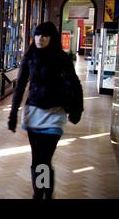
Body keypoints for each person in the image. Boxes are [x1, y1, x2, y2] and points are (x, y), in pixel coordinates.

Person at [8, 21, 83, 199]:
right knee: (37, 160)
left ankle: (44, 193)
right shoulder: (30, 56)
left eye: (44, 35)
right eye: (37, 35)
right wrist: (13, 114)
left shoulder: (62, 58)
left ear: (52, 38)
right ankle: (39, 193)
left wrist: (77, 110)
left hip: (55, 114)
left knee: (44, 159)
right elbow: (19, 87)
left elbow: (75, 83)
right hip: (33, 113)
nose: (40, 39)